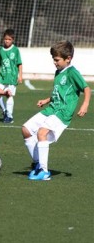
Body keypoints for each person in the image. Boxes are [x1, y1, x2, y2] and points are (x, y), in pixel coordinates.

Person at [22, 40, 91, 181]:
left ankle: (44, 171)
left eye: (57, 59)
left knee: (42, 133)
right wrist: (46, 100)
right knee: (26, 129)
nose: (54, 62)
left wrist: (85, 104)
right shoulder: (58, 72)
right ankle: (37, 163)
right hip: (52, 108)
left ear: (68, 59)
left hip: (63, 112)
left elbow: (86, 88)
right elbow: (58, 92)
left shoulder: (72, 72)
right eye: (53, 59)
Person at [0, 28, 23, 123]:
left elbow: (19, 63)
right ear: (3, 39)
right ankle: (4, 111)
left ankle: (10, 116)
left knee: (9, 96)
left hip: (12, 77)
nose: (7, 41)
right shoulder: (0, 50)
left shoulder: (15, 50)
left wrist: (20, 76)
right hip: (2, 77)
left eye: (9, 39)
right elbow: (0, 64)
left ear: (13, 40)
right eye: (6, 39)